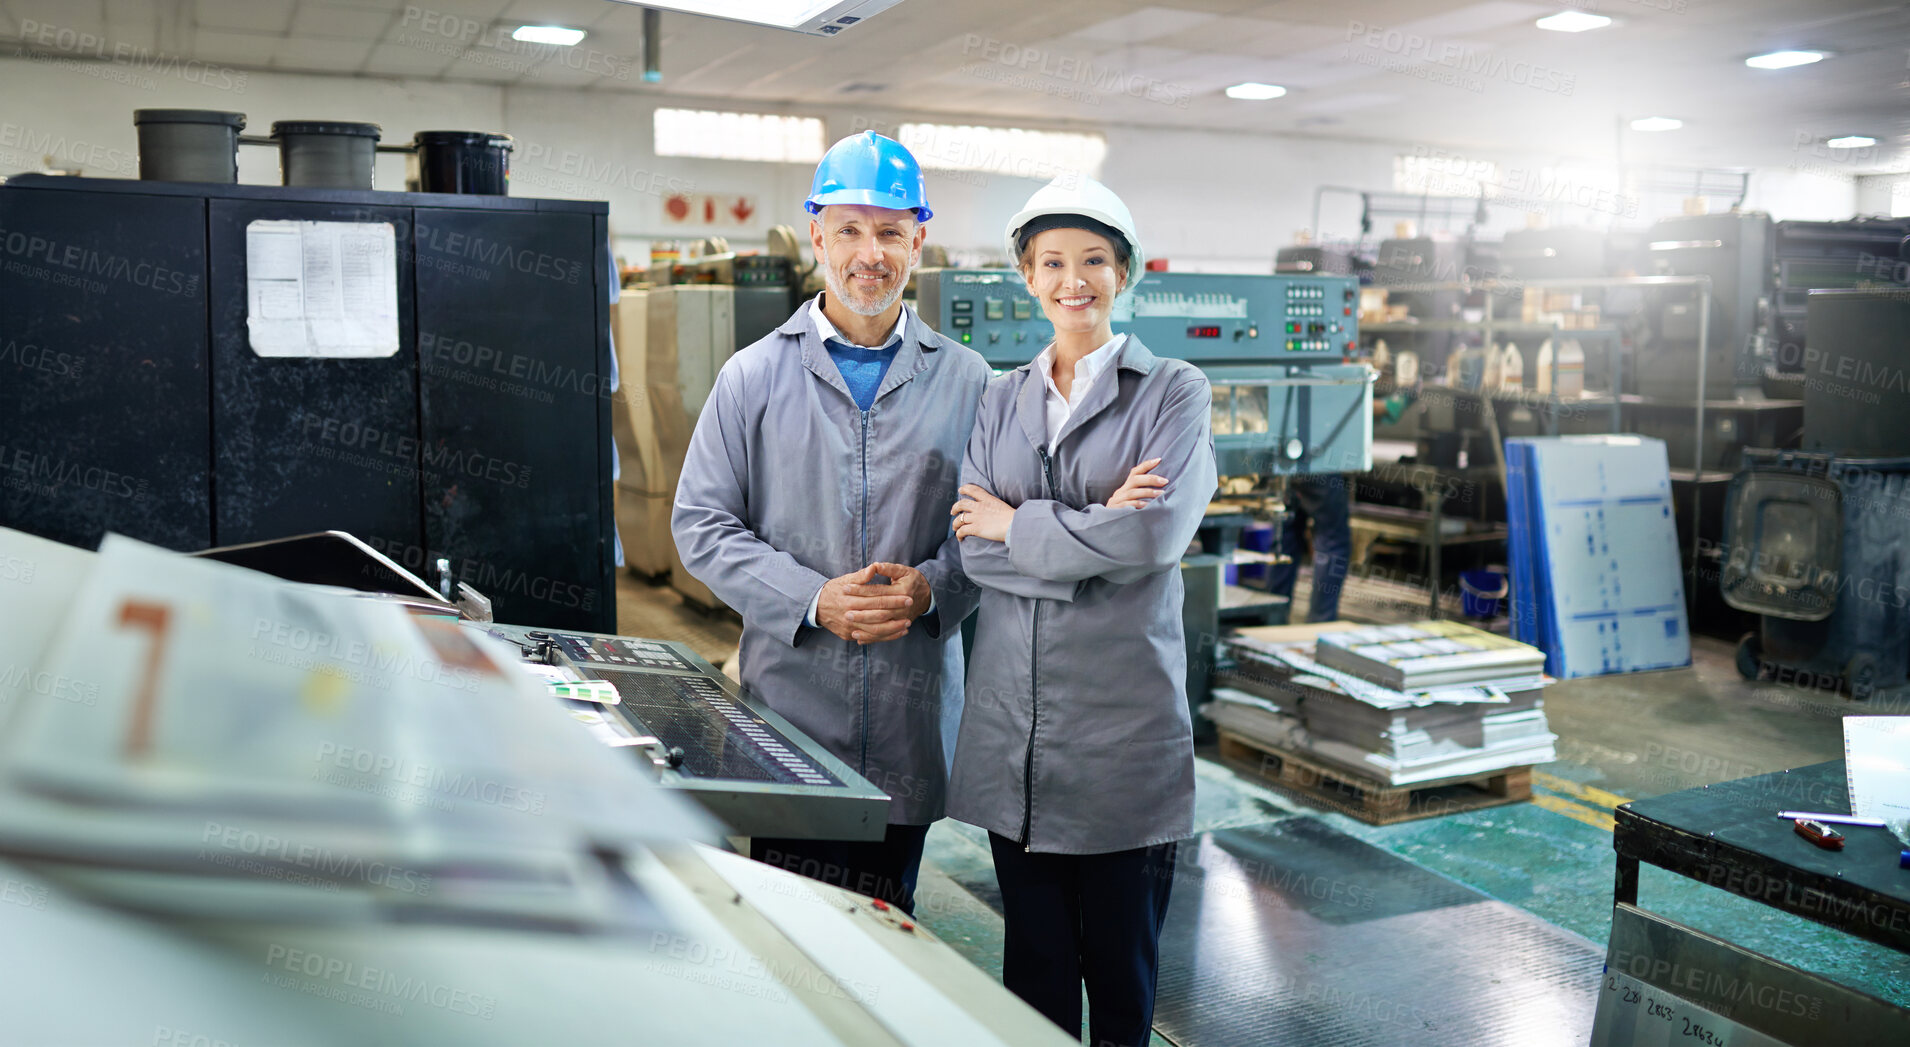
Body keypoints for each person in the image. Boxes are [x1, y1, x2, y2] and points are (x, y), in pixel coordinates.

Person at [672, 132, 991, 914]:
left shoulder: (971, 380)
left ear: (919, 239)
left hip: (912, 724)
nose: (869, 252)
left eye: (889, 231)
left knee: (888, 924)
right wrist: (815, 599)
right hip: (792, 716)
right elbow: (702, 523)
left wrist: (933, 589)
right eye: (849, 228)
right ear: (816, 235)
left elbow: (990, 531)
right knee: (789, 928)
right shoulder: (752, 375)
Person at [945, 174, 1216, 1047]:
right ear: (1027, 277)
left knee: (1123, 984)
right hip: (1013, 742)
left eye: (1095, 260)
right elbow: (971, 549)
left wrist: (1017, 522)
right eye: (1053, 261)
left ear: (1124, 272)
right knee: (1033, 977)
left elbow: (1155, 539)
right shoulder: (998, 395)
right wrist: (1093, 530)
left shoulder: (1172, 391)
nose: (1075, 280)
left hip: (1120, 739)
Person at [1266, 473, 1352, 623]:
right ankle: (1320, 623)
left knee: (1285, 539)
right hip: (1318, 462)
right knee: (1333, 542)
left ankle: (1272, 617)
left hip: (1286, 466)